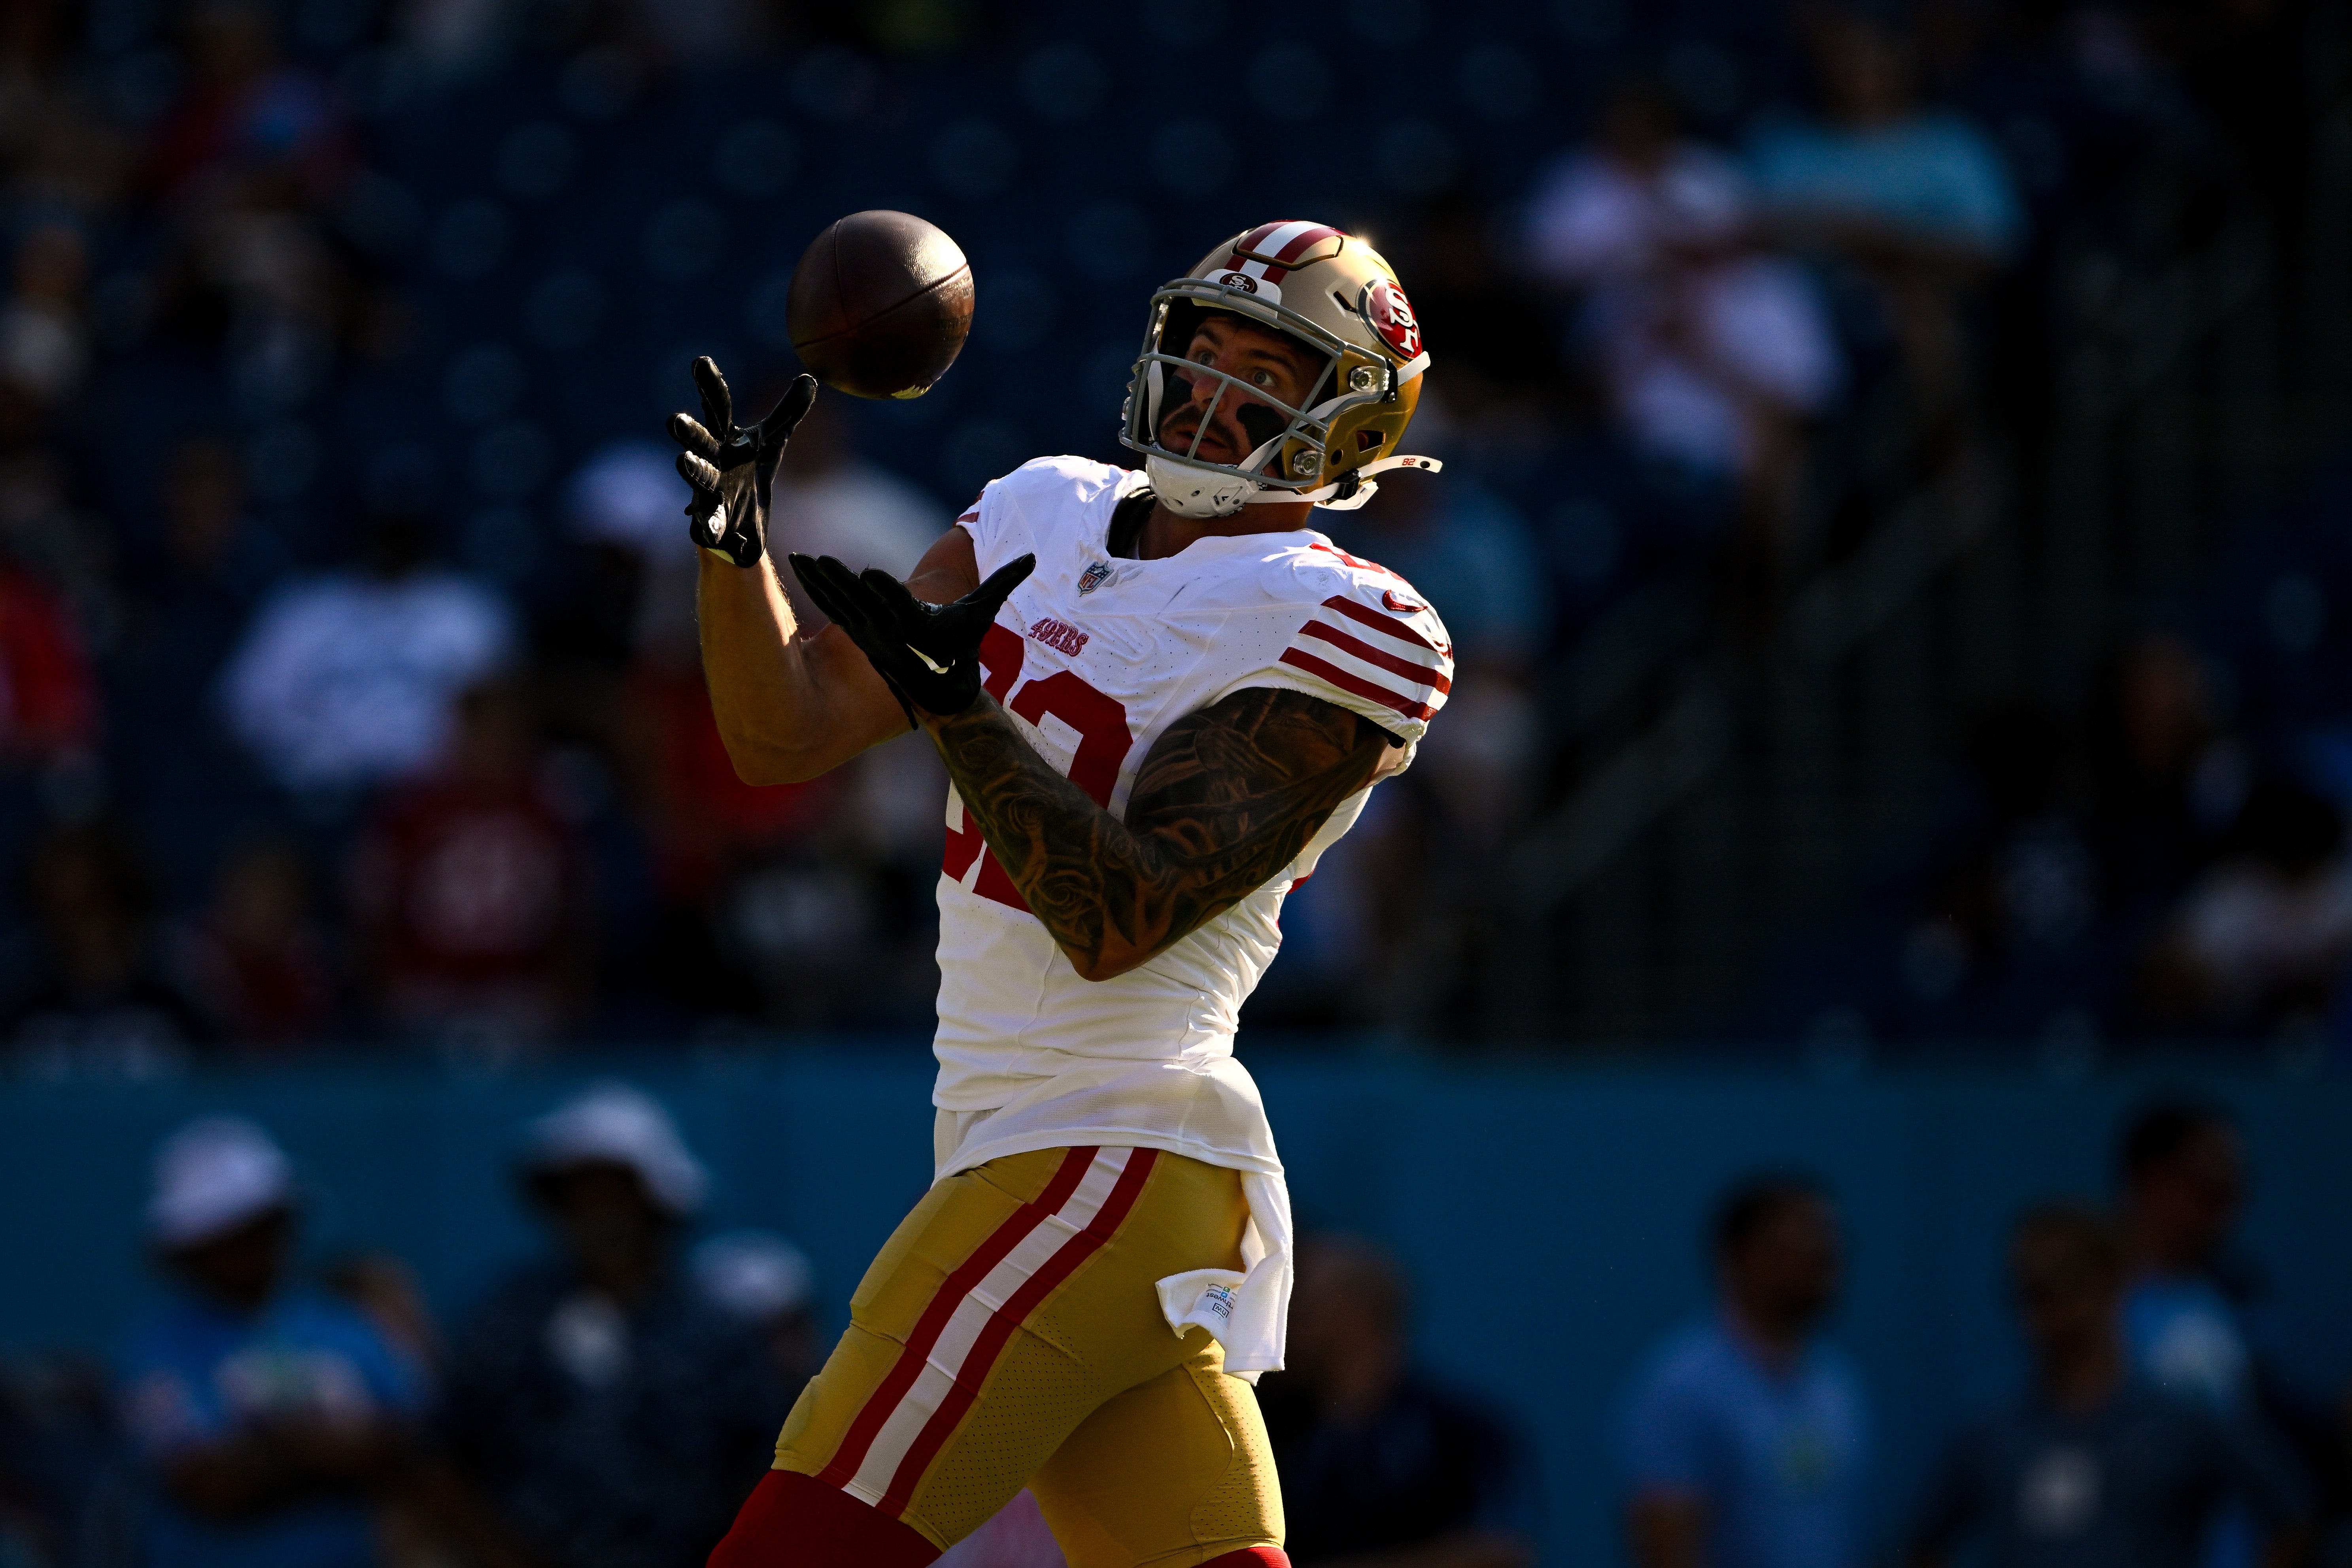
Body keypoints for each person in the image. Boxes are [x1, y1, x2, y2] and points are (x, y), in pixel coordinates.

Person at [676, 220, 1453, 1568]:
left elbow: (1117, 917)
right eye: (1198, 350)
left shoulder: (1344, 619)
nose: (1210, 391)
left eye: (1261, 368)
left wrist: (964, 718)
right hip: (1035, 1143)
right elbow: (783, 733)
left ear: (1345, 422)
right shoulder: (1041, 503)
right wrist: (734, 555)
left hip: (1110, 1140)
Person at [442, 1082, 788, 1568]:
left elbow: (761, 1470)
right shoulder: (508, 1322)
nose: (597, 1215)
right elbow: (448, 1459)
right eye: (577, 1198)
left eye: (613, 1194)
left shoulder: (719, 1334)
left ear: (656, 1204)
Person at [1908, 1203, 2306, 1568]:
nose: (2046, 1313)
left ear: (2113, 1281)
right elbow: (1921, 1542)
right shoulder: (1992, 1431)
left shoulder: (2181, 1420)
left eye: (2064, 1285)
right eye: (2029, 1293)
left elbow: (2297, 1519)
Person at [115, 1116, 430, 1568]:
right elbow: (210, 1487)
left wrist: (271, 1455)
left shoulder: (341, 1326)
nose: (246, 1248)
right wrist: (329, 1450)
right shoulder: (156, 1347)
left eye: (257, 1226)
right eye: (225, 1234)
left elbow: (410, 1449)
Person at [1622, 1175, 1871, 1568]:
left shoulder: (1838, 1381)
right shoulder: (1684, 1387)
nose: (1821, 1257)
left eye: (1829, 1245)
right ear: (1737, 1257)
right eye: (1798, 1244)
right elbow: (1666, 1543)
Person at [1256, 1236, 1533, 1568]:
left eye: (1303, 1309)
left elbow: (1501, 1551)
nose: (1281, 1325)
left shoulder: (1459, 1434)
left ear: (1357, 1317)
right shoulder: (1270, 1431)